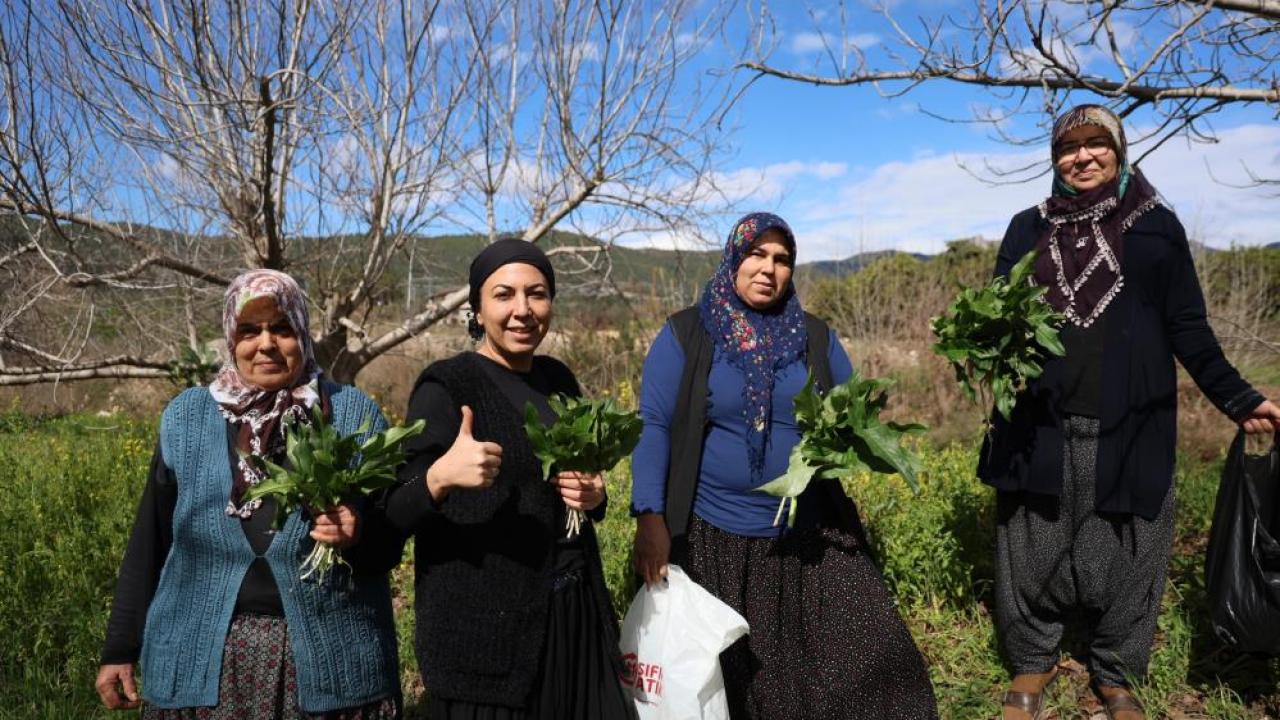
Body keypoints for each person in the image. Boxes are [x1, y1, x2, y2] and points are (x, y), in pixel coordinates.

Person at [981, 104, 1280, 720]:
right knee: (1031, 544)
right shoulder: (1027, 228)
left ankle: (1117, 673)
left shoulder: (1155, 227)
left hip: (1131, 420)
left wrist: (1240, 398)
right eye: (1069, 146)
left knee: (1129, 548)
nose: (1082, 156)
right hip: (1039, 423)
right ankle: (1032, 662)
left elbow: (1188, 328)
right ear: (1054, 158)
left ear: (1119, 151)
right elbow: (996, 321)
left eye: (1097, 143)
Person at [629, 212, 939, 720]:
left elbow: (853, 412)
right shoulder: (687, 333)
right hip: (715, 538)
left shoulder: (813, 337)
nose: (768, 268)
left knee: (875, 660)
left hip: (808, 534)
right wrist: (650, 516)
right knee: (741, 684)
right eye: (757, 254)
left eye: (782, 259)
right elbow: (655, 426)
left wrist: (858, 437)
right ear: (733, 258)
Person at [95, 269, 402, 718]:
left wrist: (359, 529)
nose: (265, 344)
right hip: (203, 659)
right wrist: (120, 645)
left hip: (326, 661)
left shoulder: (351, 413)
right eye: (249, 331)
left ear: (303, 332)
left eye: (282, 328)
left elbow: (391, 537)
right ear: (230, 338)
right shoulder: (188, 417)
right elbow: (151, 540)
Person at [383, 239, 636, 720]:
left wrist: (594, 494)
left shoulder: (557, 379)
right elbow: (395, 509)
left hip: (573, 618)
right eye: (504, 295)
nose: (523, 310)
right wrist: (440, 477)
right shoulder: (447, 386)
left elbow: (579, 480)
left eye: (536, 294)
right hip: (488, 639)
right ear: (477, 308)